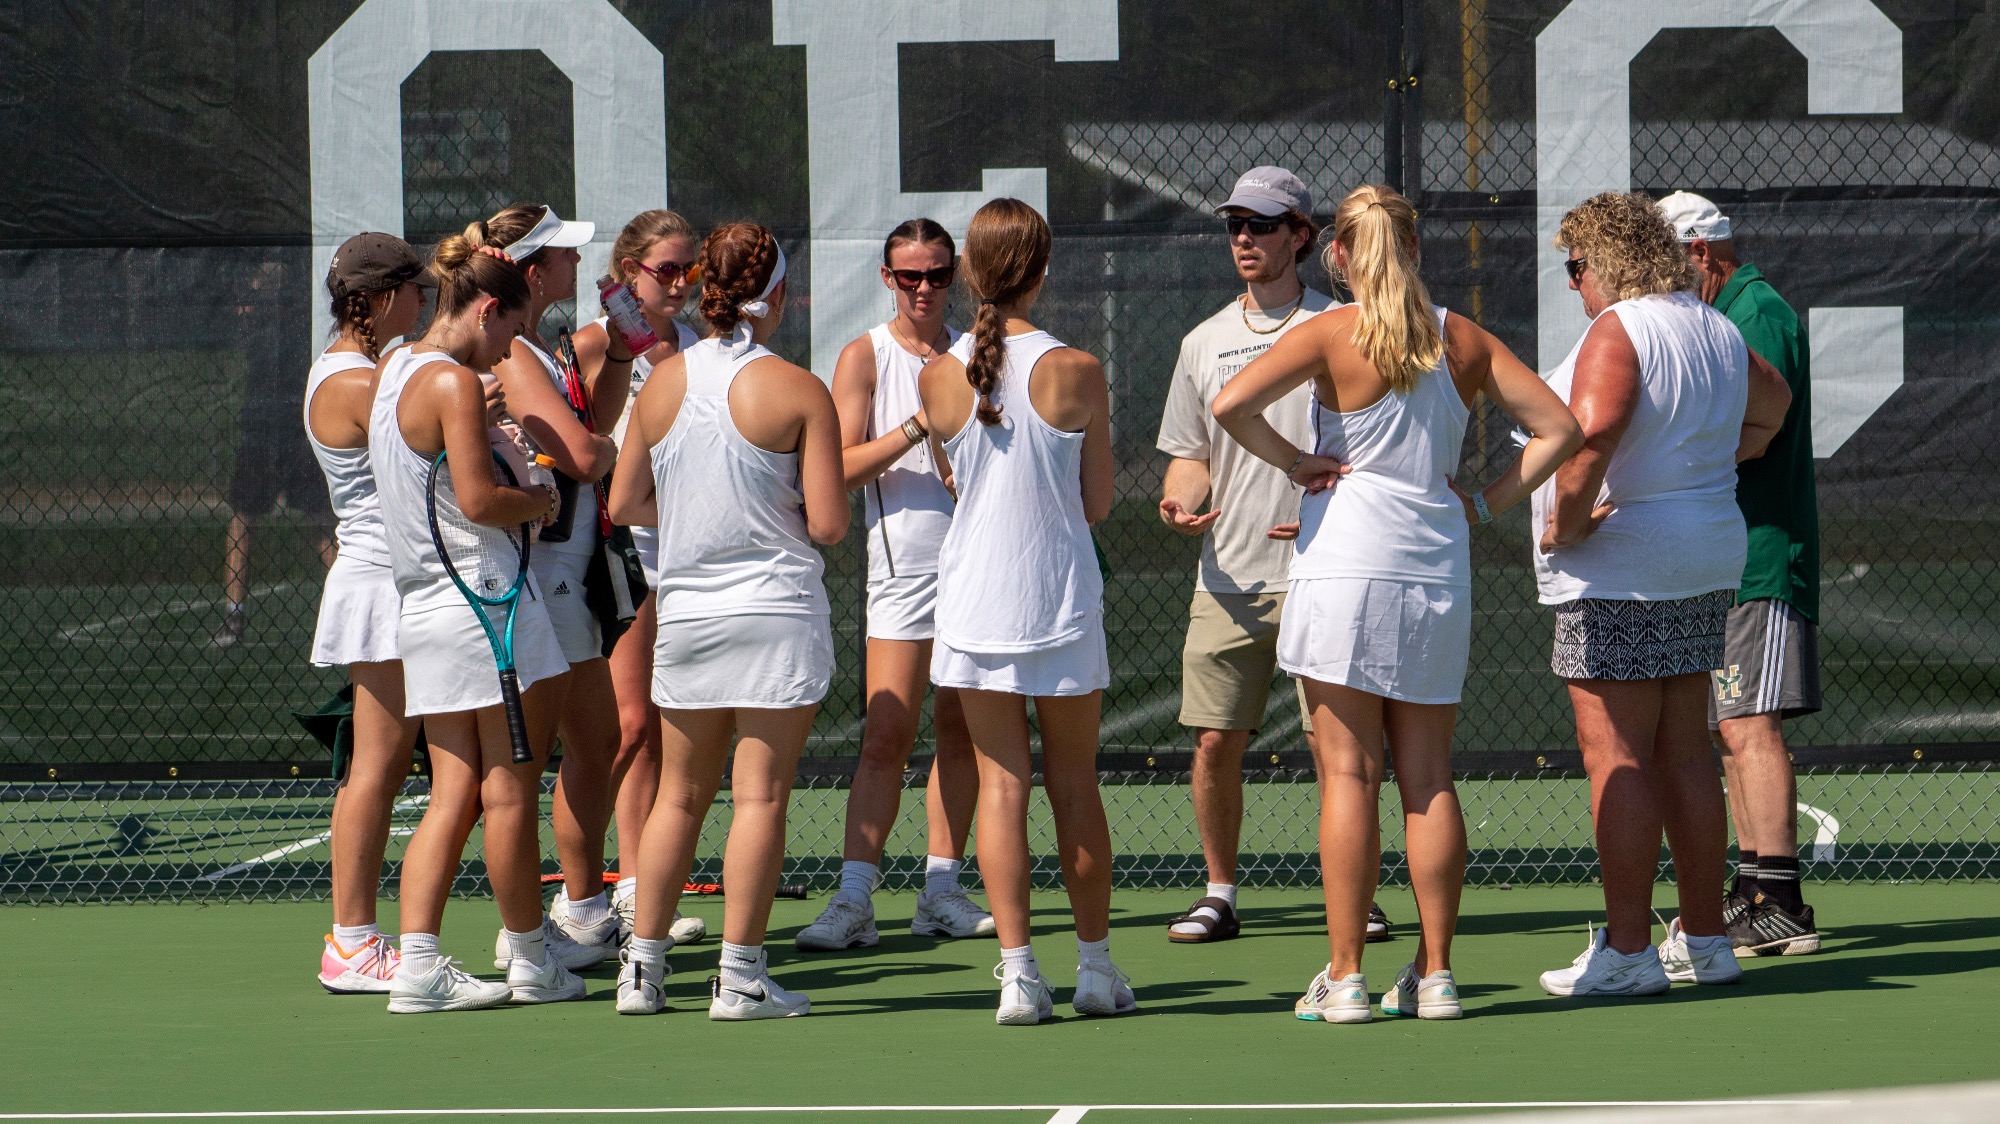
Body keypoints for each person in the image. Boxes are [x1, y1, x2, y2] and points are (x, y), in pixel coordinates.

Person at [1215, 185, 1582, 1023]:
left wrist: (1300, 462)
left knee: (1347, 774)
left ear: (1338, 254)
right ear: (1414, 250)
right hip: (1432, 572)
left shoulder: (1329, 331)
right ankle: (1437, 974)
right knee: (1427, 777)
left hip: (1341, 570)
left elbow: (1229, 406)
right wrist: (1484, 502)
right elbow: (1560, 428)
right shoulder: (1465, 338)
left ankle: (1346, 978)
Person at [1531, 190, 1792, 999]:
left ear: (1606, 263)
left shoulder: (1623, 327)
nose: (1574, 285)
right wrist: (1708, 462)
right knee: (1684, 749)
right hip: (1705, 555)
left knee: (1616, 754)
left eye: (1576, 268)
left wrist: (1567, 524)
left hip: (1625, 564)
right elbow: (1773, 408)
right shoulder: (1713, 323)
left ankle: (1631, 951)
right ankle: (1707, 941)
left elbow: (1594, 434)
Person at [606, 222, 846, 1020]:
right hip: (775, 611)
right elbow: (829, 525)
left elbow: (625, 503)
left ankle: (641, 973)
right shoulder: (800, 389)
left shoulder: (661, 384)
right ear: (774, 295)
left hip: (690, 617)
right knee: (759, 798)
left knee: (678, 795)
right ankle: (740, 977)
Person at [1155, 165, 1392, 945]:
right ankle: (1220, 892)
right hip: (1226, 577)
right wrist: (1181, 497)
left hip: (1324, 571)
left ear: (1302, 235)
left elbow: (1370, 450)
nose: (1244, 239)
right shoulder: (1201, 342)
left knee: (1337, 743)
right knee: (1216, 740)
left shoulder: (1346, 328)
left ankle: (1353, 888)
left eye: (1261, 225)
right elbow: (1189, 454)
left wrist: (1327, 510)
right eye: (1235, 226)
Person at [919, 197, 1132, 1026]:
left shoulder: (938, 377)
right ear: (1041, 272)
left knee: (1002, 788)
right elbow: (1101, 499)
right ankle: (1093, 969)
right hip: (1059, 599)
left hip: (976, 603)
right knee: (1073, 783)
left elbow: (954, 480)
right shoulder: (1077, 369)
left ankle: (1018, 976)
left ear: (969, 274)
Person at [371, 233, 578, 1013]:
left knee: (455, 790)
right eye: (510, 335)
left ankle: (421, 962)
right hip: (484, 598)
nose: (507, 355)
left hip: (427, 606)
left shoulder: (393, 366)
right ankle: (529, 957)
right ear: (488, 308)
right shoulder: (453, 385)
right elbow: (480, 502)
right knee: (508, 791)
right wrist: (544, 500)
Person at [795, 218, 992, 952]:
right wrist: (920, 426)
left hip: (981, 564)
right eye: (909, 275)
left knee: (962, 730)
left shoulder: (982, 351)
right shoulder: (865, 356)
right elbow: (835, 470)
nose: (923, 289)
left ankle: (941, 890)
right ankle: (854, 900)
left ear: (956, 277)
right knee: (887, 734)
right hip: (904, 571)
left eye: (937, 275)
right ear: (887, 278)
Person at [1659, 191, 1823, 958]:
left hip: (1760, 558)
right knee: (1732, 726)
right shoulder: (1732, 310)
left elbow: (1757, 433)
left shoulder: (1755, 314)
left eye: (1669, 264)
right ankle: (1756, 891)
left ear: (1700, 254)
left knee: (1749, 726)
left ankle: (1779, 897)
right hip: (1732, 556)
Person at [470, 205, 624, 968]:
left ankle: (582, 910)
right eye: (562, 254)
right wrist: (611, 447)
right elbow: (584, 456)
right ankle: (525, 936)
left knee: (597, 739)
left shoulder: (540, 344)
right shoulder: (517, 353)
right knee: (523, 770)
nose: (574, 264)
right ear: (534, 271)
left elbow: (588, 433)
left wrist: (622, 355)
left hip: (567, 572)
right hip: (545, 573)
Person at [566, 208, 709, 949]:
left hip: (674, 550)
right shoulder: (594, 343)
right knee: (623, 727)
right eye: (666, 270)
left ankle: (636, 892)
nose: (681, 283)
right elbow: (578, 441)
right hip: (610, 551)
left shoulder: (692, 347)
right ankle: (582, 898)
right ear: (628, 274)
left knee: (653, 727)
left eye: (690, 270)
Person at [307, 233, 430, 994]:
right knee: (376, 769)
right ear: (384, 300)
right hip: (382, 585)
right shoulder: (357, 383)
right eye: (419, 293)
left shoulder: (366, 368)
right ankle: (353, 943)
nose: (425, 307)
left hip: (398, 580)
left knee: (383, 768)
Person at [213, 259, 333, 648]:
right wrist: (252, 299)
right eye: (262, 268)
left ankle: (348, 611)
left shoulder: (304, 315)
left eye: (277, 266)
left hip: (298, 429)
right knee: (242, 518)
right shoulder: (254, 319)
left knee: (321, 523)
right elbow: (238, 314)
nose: (267, 273)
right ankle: (233, 617)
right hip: (260, 427)